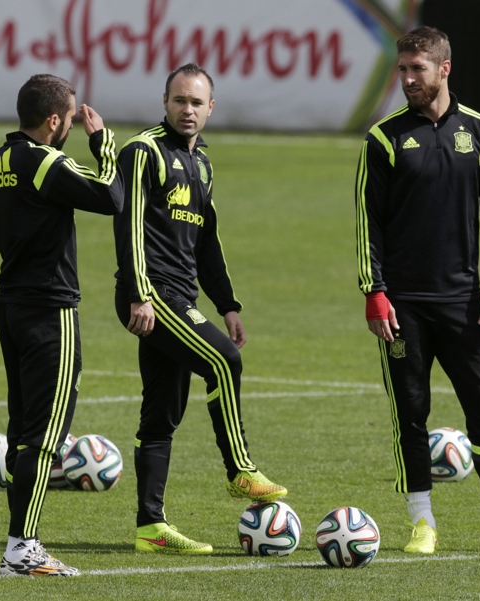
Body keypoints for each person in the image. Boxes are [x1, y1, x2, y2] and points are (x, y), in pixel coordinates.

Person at [355, 27, 480, 555]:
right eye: (402, 69)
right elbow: (366, 224)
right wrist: (374, 291)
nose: (407, 79)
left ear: (444, 69)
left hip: (465, 303)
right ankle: (422, 523)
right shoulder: (383, 139)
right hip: (403, 305)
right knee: (410, 410)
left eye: (417, 69)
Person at [113, 62, 287, 554]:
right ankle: (240, 470)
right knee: (223, 360)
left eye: (196, 102)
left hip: (179, 295)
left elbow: (207, 243)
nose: (186, 110)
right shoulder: (143, 152)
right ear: (163, 102)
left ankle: (151, 527)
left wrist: (228, 304)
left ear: (211, 108)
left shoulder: (203, 164)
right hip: (153, 295)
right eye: (178, 101)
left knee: (161, 414)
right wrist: (137, 294)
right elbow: (126, 230)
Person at [0, 73, 124, 576]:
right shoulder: (44, 161)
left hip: (10, 306)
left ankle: (21, 544)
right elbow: (112, 197)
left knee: (24, 428)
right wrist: (104, 144)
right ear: (54, 121)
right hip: (51, 310)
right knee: (44, 436)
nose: (74, 124)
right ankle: (22, 549)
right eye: (72, 118)